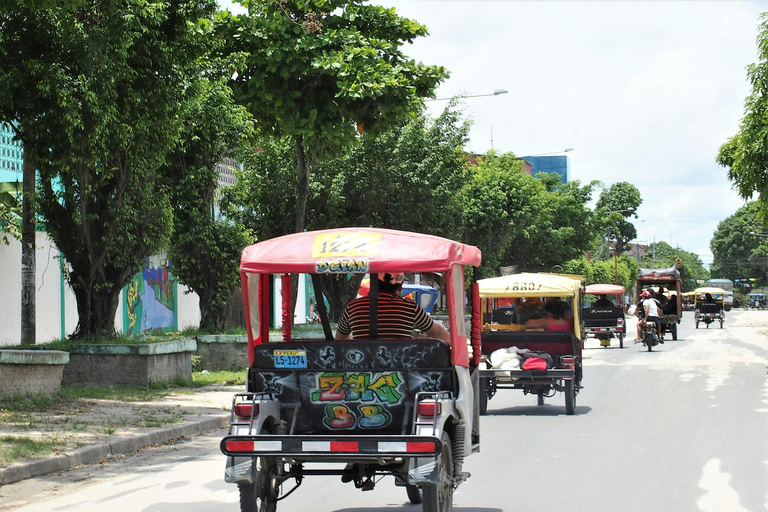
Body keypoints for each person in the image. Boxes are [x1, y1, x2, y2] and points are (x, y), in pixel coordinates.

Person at [335, 272, 450, 343]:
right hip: (401, 373)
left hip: (363, 373)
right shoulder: (410, 308)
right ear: (400, 286)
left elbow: (340, 338)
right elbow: (437, 332)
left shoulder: (353, 307)